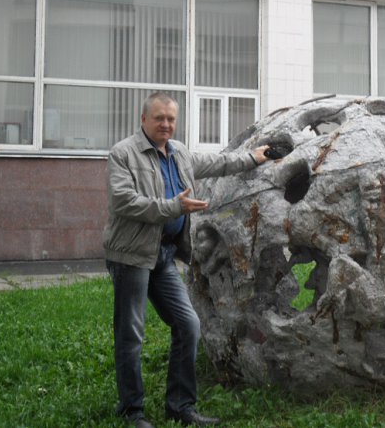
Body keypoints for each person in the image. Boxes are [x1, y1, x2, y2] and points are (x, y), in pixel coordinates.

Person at [103, 92, 269, 428]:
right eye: (159, 118)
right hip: (131, 256)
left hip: (163, 255)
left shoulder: (179, 153)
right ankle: (132, 410)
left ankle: (180, 406)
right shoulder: (123, 153)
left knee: (188, 324)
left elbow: (218, 163)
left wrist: (252, 158)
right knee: (131, 333)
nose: (165, 124)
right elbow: (124, 201)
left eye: (171, 119)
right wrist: (174, 207)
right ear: (143, 119)